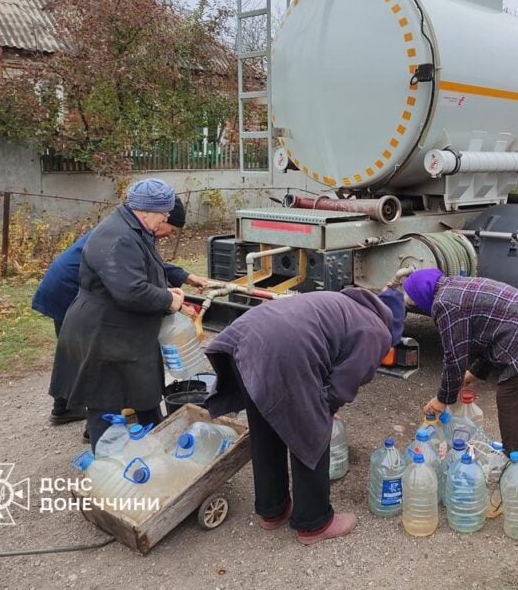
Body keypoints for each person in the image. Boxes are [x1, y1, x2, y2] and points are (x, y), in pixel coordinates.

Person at [203, 286, 405, 546]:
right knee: (312, 431)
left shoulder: (341, 303)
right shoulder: (376, 330)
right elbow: (343, 384)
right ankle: (314, 523)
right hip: (282, 348)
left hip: (244, 337)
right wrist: (326, 410)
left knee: (266, 427)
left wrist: (322, 404)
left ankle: (272, 510)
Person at [34, 196, 208, 424]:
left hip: (77, 288)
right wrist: (167, 301)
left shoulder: (131, 227)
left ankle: (68, 409)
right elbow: (132, 281)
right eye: (170, 227)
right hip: (69, 289)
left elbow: (145, 266)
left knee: (84, 355)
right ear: (157, 215)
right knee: (92, 358)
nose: (169, 234)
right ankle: (94, 422)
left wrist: (184, 276)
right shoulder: (124, 234)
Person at [404, 268, 518, 461]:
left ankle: (516, 465)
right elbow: (490, 334)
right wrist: (473, 372)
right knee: (516, 399)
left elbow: (454, 357)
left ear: (422, 296)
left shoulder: (444, 304)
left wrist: (442, 400)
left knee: (511, 397)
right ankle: (514, 458)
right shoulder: (455, 287)